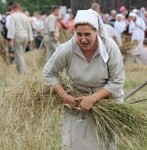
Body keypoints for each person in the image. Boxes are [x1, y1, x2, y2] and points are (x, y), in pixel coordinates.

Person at [43, 9, 125, 150]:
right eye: (79, 34)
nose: (83, 39)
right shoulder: (68, 49)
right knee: (76, 142)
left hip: (106, 99)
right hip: (77, 100)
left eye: (87, 34)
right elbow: (49, 73)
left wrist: (93, 98)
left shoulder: (110, 47)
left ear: (97, 31)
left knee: (104, 143)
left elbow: (117, 81)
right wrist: (65, 97)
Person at [7, 3, 33, 74]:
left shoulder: (13, 16)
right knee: (21, 54)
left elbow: (12, 28)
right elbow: (29, 27)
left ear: (13, 8)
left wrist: (10, 39)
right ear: (19, 8)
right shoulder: (25, 16)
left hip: (18, 36)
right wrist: (30, 38)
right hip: (25, 36)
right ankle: (22, 71)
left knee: (19, 55)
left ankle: (22, 73)